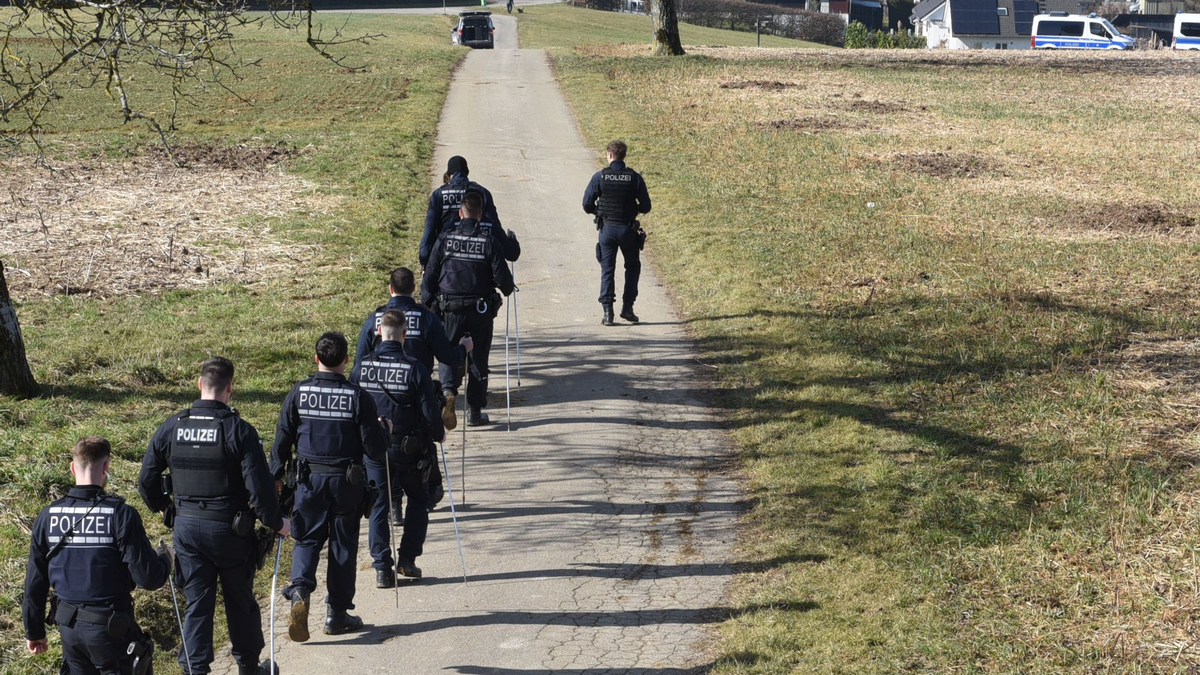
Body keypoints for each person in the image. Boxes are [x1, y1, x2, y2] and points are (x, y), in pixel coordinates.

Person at [139, 357, 289, 675]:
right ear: (230, 389)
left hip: (187, 530)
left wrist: (165, 508)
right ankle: (249, 667)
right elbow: (261, 491)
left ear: (200, 385)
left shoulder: (172, 427)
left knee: (197, 604)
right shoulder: (238, 431)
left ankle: (196, 670)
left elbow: (146, 482)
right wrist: (278, 524)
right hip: (231, 532)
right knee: (240, 602)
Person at [270, 332, 390, 641]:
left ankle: (299, 591)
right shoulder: (357, 396)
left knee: (307, 540)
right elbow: (373, 448)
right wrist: (383, 430)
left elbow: (282, 438)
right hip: (345, 483)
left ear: (316, 358)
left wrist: (276, 476)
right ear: (346, 360)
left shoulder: (299, 393)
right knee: (342, 546)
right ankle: (336, 614)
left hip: (308, 482)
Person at [24, 437, 173, 675]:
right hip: (111, 632)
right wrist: (166, 559)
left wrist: (34, 631)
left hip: (69, 630)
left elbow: (35, 579)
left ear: (73, 468)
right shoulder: (120, 514)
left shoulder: (48, 516)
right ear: (106, 467)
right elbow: (148, 578)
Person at [354, 267, 474, 512]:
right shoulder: (426, 318)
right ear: (413, 290)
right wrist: (464, 349)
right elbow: (448, 357)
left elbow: (359, 363)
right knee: (418, 443)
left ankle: (395, 504)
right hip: (416, 391)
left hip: (379, 397)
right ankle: (427, 493)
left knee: (388, 447)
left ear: (390, 289)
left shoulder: (374, 320)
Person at [352, 310, 446, 587]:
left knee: (379, 504)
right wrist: (438, 434)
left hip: (374, 451)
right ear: (405, 335)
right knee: (418, 499)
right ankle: (407, 559)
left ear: (379, 331)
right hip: (409, 450)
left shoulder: (361, 367)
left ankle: (382, 568)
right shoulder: (415, 368)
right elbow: (430, 412)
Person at [422, 190, 515, 427]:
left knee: (447, 352)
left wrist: (428, 304)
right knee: (478, 358)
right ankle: (474, 412)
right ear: (481, 214)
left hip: (449, 308)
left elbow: (430, 276)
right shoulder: (489, 242)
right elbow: (504, 283)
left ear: (460, 213)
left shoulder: (444, 239)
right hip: (480, 311)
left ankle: (448, 392)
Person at [582, 139, 652, 326]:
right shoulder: (634, 178)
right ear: (624, 156)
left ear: (610, 155)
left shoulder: (601, 177)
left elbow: (586, 204)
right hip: (628, 230)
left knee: (608, 270)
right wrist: (632, 208)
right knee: (632, 268)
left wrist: (598, 211)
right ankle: (627, 307)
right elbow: (646, 206)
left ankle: (607, 313)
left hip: (607, 229)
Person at [419, 155, 503, 270]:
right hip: (478, 257)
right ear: (466, 173)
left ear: (449, 175)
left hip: (446, 255)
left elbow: (429, 232)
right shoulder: (481, 192)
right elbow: (493, 226)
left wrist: (426, 260)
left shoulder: (438, 195)